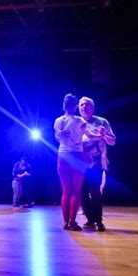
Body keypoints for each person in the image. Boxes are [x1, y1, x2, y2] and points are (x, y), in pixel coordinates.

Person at [54, 93, 102, 231]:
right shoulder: (79, 120)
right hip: (77, 155)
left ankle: (65, 222)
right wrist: (101, 135)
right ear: (75, 106)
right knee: (76, 191)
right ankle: (72, 222)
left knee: (65, 191)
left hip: (62, 156)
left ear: (64, 105)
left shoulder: (58, 121)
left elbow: (57, 137)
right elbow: (90, 135)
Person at [78, 97, 116, 232]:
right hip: (79, 164)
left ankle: (99, 221)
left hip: (95, 164)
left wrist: (104, 135)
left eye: (86, 105)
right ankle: (90, 220)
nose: (83, 107)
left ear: (92, 108)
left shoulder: (102, 121)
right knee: (81, 192)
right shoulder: (77, 122)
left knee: (95, 192)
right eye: (81, 105)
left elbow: (112, 141)